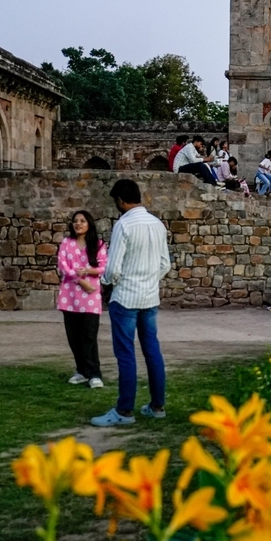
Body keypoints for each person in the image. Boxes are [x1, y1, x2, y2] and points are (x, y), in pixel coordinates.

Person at [92, 179, 172, 427]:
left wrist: (106, 281)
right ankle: (157, 406)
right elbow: (164, 264)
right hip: (149, 297)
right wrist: (148, 279)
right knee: (152, 350)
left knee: (126, 354)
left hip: (125, 297)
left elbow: (113, 269)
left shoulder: (124, 225)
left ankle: (124, 410)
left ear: (120, 201)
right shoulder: (156, 224)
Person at [57, 210, 107, 388]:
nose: (78, 224)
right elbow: (63, 266)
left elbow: (103, 266)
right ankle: (81, 371)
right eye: (75, 221)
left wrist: (88, 272)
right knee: (74, 337)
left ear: (89, 224)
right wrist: (81, 281)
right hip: (69, 297)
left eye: (82, 221)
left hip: (90, 299)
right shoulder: (66, 243)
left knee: (89, 336)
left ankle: (94, 373)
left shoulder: (98, 245)